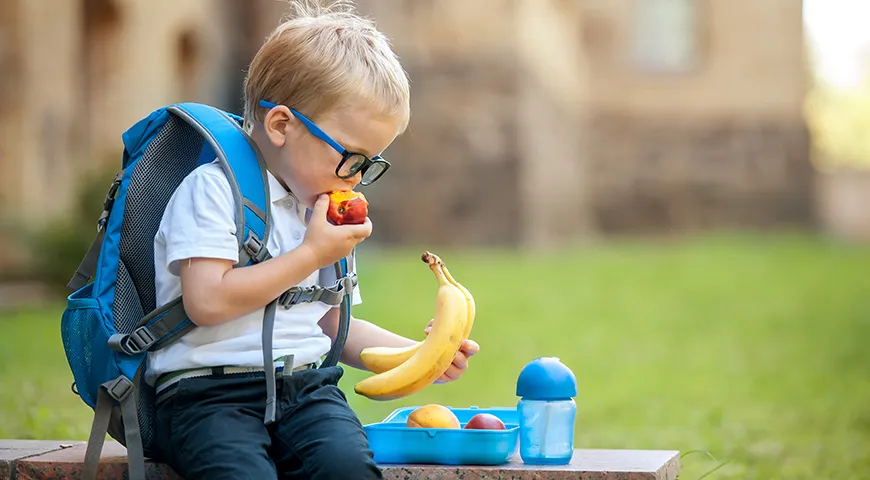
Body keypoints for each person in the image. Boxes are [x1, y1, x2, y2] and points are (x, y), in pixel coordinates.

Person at [145, 1, 480, 479]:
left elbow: (331, 325)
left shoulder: (321, 211)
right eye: (351, 157)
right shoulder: (214, 190)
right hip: (207, 394)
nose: (356, 178)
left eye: (370, 164)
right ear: (282, 126)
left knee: (347, 468)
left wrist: (422, 354)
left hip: (306, 389)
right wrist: (311, 254)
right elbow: (207, 301)